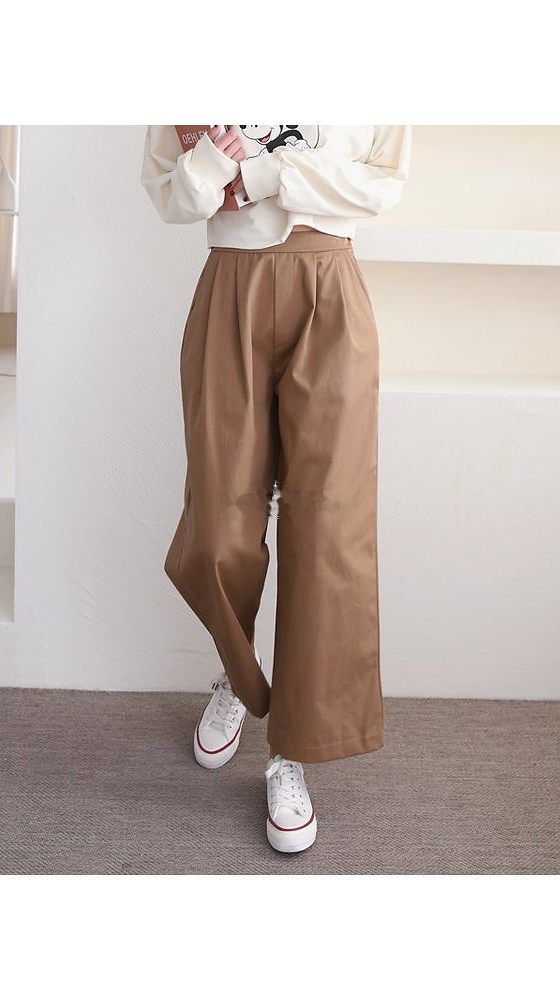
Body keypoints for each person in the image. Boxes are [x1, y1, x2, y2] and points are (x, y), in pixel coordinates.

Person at [140, 124, 411, 853]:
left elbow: (384, 184)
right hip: (231, 285)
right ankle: (240, 674)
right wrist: (211, 160)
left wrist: (262, 176)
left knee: (330, 525)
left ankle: (293, 747)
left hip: (331, 285)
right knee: (218, 519)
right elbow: (171, 198)